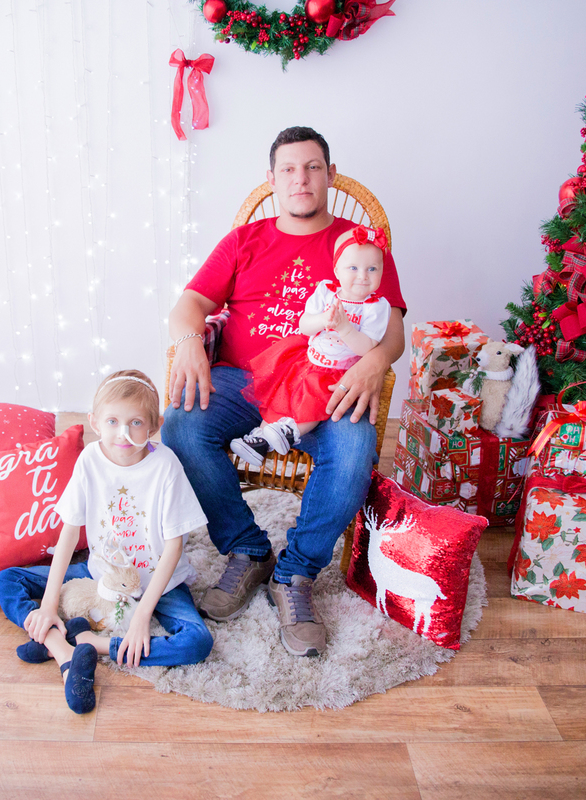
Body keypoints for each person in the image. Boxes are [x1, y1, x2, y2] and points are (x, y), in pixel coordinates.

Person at [163, 126, 407, 657]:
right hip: (242, 382)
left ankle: (295, 575)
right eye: (289, 169)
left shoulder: (359, 246)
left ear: (330, 175)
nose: (301, 178)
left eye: (313, 167)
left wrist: (375, 362)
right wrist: (187, 342)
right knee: (180, 425)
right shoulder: (243, 242)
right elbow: (188, 306)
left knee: (354, 450)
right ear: (271, 180)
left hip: (325, 386)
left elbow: (392, 330)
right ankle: (249, 551)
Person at [0, 369, 213, 714]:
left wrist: (142, 616)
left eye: (136, 423)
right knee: (7, 580)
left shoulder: (165, 467)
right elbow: (69, 531)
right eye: (112, 421)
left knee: (198, 643)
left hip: (160, 584)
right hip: (100, 575)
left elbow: (174, 547)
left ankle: (90, 643)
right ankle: (59, 647)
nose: (122, 433)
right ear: (95, 421)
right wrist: (50, 604)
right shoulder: (90, 459)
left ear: (154, 426)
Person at [231, 224, 391, 467]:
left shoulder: (375, 306)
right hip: (306, 359)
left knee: (313, 400)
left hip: (337, 372)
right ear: (337, 269)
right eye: (353, 268)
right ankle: (259, 440)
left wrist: (345, 328)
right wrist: (323, 319)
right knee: (281, 397)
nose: (363, 276)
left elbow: (367, 346)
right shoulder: (326, 292)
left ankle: (291, 431)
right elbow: (304, 325)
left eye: (372, 269)